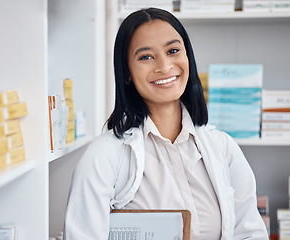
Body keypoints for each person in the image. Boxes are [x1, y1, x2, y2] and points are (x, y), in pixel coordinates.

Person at [64, 7, 268, 240]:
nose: (164, 66)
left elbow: (250, 234)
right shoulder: (104, 156)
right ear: (127, 73)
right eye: (145, 57)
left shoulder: (224, 148)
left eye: (173, 51)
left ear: (187, 57)